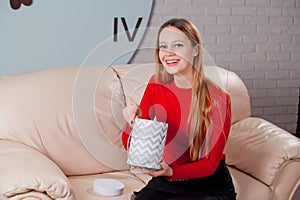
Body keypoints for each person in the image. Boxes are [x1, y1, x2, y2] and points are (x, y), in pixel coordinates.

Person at [122, 18, 236, 200]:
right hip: (168, 179)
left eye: (177, 45)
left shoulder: (218, 99)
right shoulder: (155, 85)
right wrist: (133, 122)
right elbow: (129, 142)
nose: (168, 53)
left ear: (195, 50)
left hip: (208, 184)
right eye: (163, 46)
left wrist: (170, 171)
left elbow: (210, 164)